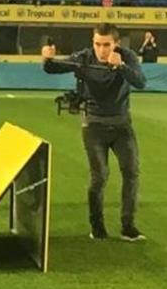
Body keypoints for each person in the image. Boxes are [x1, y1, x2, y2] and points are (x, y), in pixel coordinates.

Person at [43, 23, 147, 241]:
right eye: (97, 44)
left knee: (131, 172)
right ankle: (97, 227)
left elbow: (140, 82)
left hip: (121, 126)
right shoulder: (84, 57)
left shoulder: (126, 56)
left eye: (107, 45)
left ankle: (128, 227)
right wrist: (47, 58)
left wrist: (121, 67)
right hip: (94, 125)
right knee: (99, 176)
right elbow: (53, 68)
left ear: (116, 44)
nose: (102, 49)